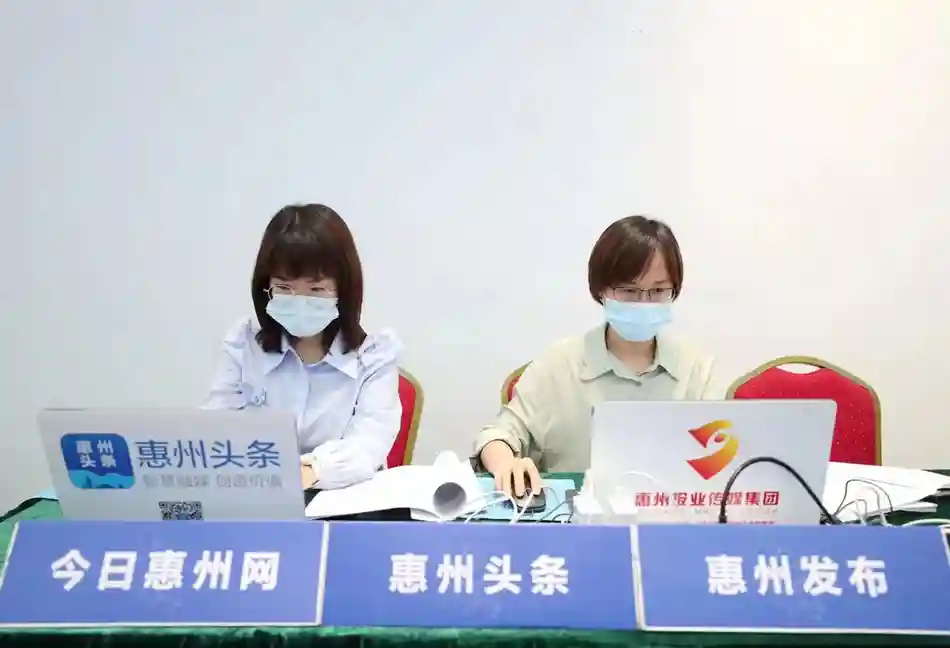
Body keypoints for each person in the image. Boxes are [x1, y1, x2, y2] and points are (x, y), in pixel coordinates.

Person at [474, 215, 723, 497]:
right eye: (628, 291)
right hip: (573, 516)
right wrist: (506, 464)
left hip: (672, 515)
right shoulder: (559, 364)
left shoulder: (698, 369)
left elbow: (725, 456)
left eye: (657, 291)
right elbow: (498, 435)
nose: (643, 303)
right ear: (601, 290)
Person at [204, 204, 402, 490]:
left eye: (316, 289)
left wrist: (307, 472)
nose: (299, 300)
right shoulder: (243, 346)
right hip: (254, 497)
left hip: (339, 502)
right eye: (284, 288)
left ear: (343, 290)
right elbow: (215, 429)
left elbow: (367, 445)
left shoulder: (374, 357)